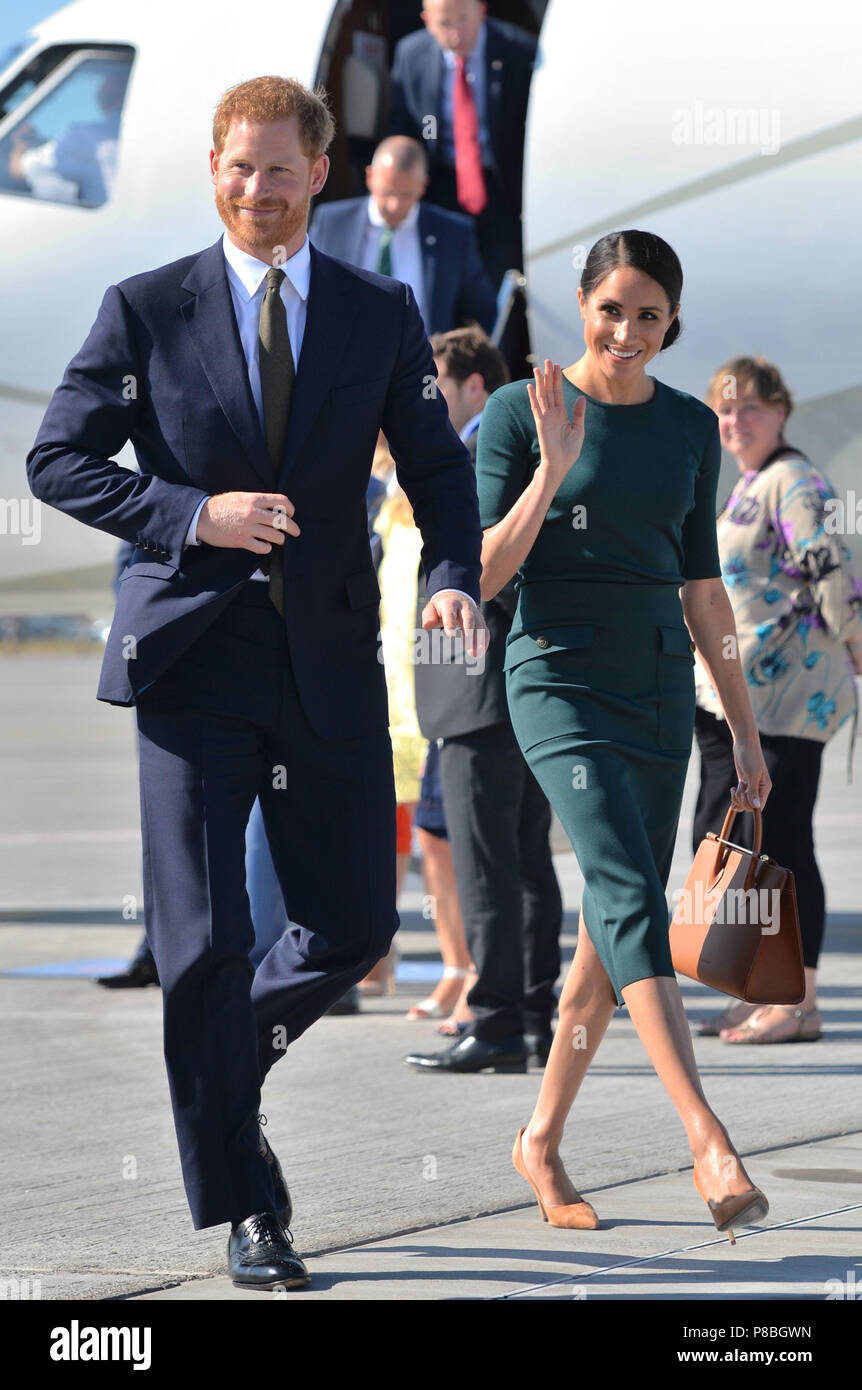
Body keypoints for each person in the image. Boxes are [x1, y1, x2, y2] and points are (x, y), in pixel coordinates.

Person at [27, 75, 486, 1292]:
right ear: (214, 171)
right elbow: (57, 457)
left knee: (351, 925)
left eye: (280, 168)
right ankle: (249, 1205)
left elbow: (437, 470)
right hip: (191, 665)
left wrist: (451, 573)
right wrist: (192, 514)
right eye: (239, 166)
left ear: (317, 176)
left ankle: (218, 1066)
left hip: (326, 663)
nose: (258, 188)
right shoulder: (147, 310)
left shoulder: (376, 311)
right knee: (199, 947)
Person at [475, 229, 774, 1242]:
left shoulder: (690, 428)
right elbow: (482, 570)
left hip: (656, 687)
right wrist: (550, 470)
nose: (627, 331)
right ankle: (706, 1136)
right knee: (626, 896)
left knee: (613, 929)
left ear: (671, 322)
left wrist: (742, 727)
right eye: (611, 309)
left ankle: (540, 1139)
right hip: (555, 678)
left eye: (649, 315)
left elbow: (703, 589)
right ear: (581, 303)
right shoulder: (524, 410)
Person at [405, 327, 562, 1073]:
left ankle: (497, 1021)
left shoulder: (474, 458)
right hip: (520, 691)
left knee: (487, 865)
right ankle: (533, 1012)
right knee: (527, 860)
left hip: (480, 689)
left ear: (474, 387)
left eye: (434, 385)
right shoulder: (518, 451)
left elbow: (483, 568)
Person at [693, 356, 862, 1044]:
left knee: (784, 842)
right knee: (744, 847)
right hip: (740, 696)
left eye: (750, 409)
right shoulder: (750, 483)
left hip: (790, 696)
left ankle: (798, 1001)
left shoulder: (792, 478)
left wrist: (853, 643)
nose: (736, 422)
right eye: (725, 410)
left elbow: (833, 570)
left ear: (782, 412)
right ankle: (759, 986)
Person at [389, 0, 536, 288]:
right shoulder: (411, 55)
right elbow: (402, 126)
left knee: (501, 280)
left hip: (501, 186)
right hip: (440, 183)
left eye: (463, 20)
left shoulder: (519, 50)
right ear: (427, 20)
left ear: (481, 11)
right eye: (444, 23)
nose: (456, 34)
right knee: (445, 283)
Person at [309, 135, 495, 335]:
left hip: (421, 360)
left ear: (423, 186)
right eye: (387, 193)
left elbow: (482, 313)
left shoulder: (453, 235)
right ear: (370, 177)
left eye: (405, 195)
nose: (394, 206)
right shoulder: (332, 223)